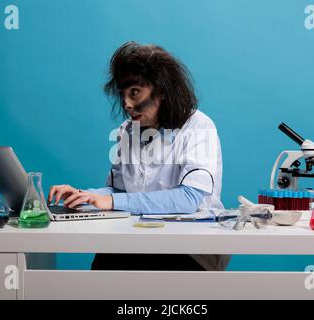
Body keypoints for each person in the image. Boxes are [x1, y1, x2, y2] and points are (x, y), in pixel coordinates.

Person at [48, 42, 230, 271]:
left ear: (162, 91)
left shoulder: (199, 126)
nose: (126, 104)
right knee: (102, 268)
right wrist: (86, 196)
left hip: (188, 247)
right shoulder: (128, 130)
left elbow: (189, 199)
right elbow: (121, 191)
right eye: (122, 95)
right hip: (138, 236)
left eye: (134, 92)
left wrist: (112, 201)